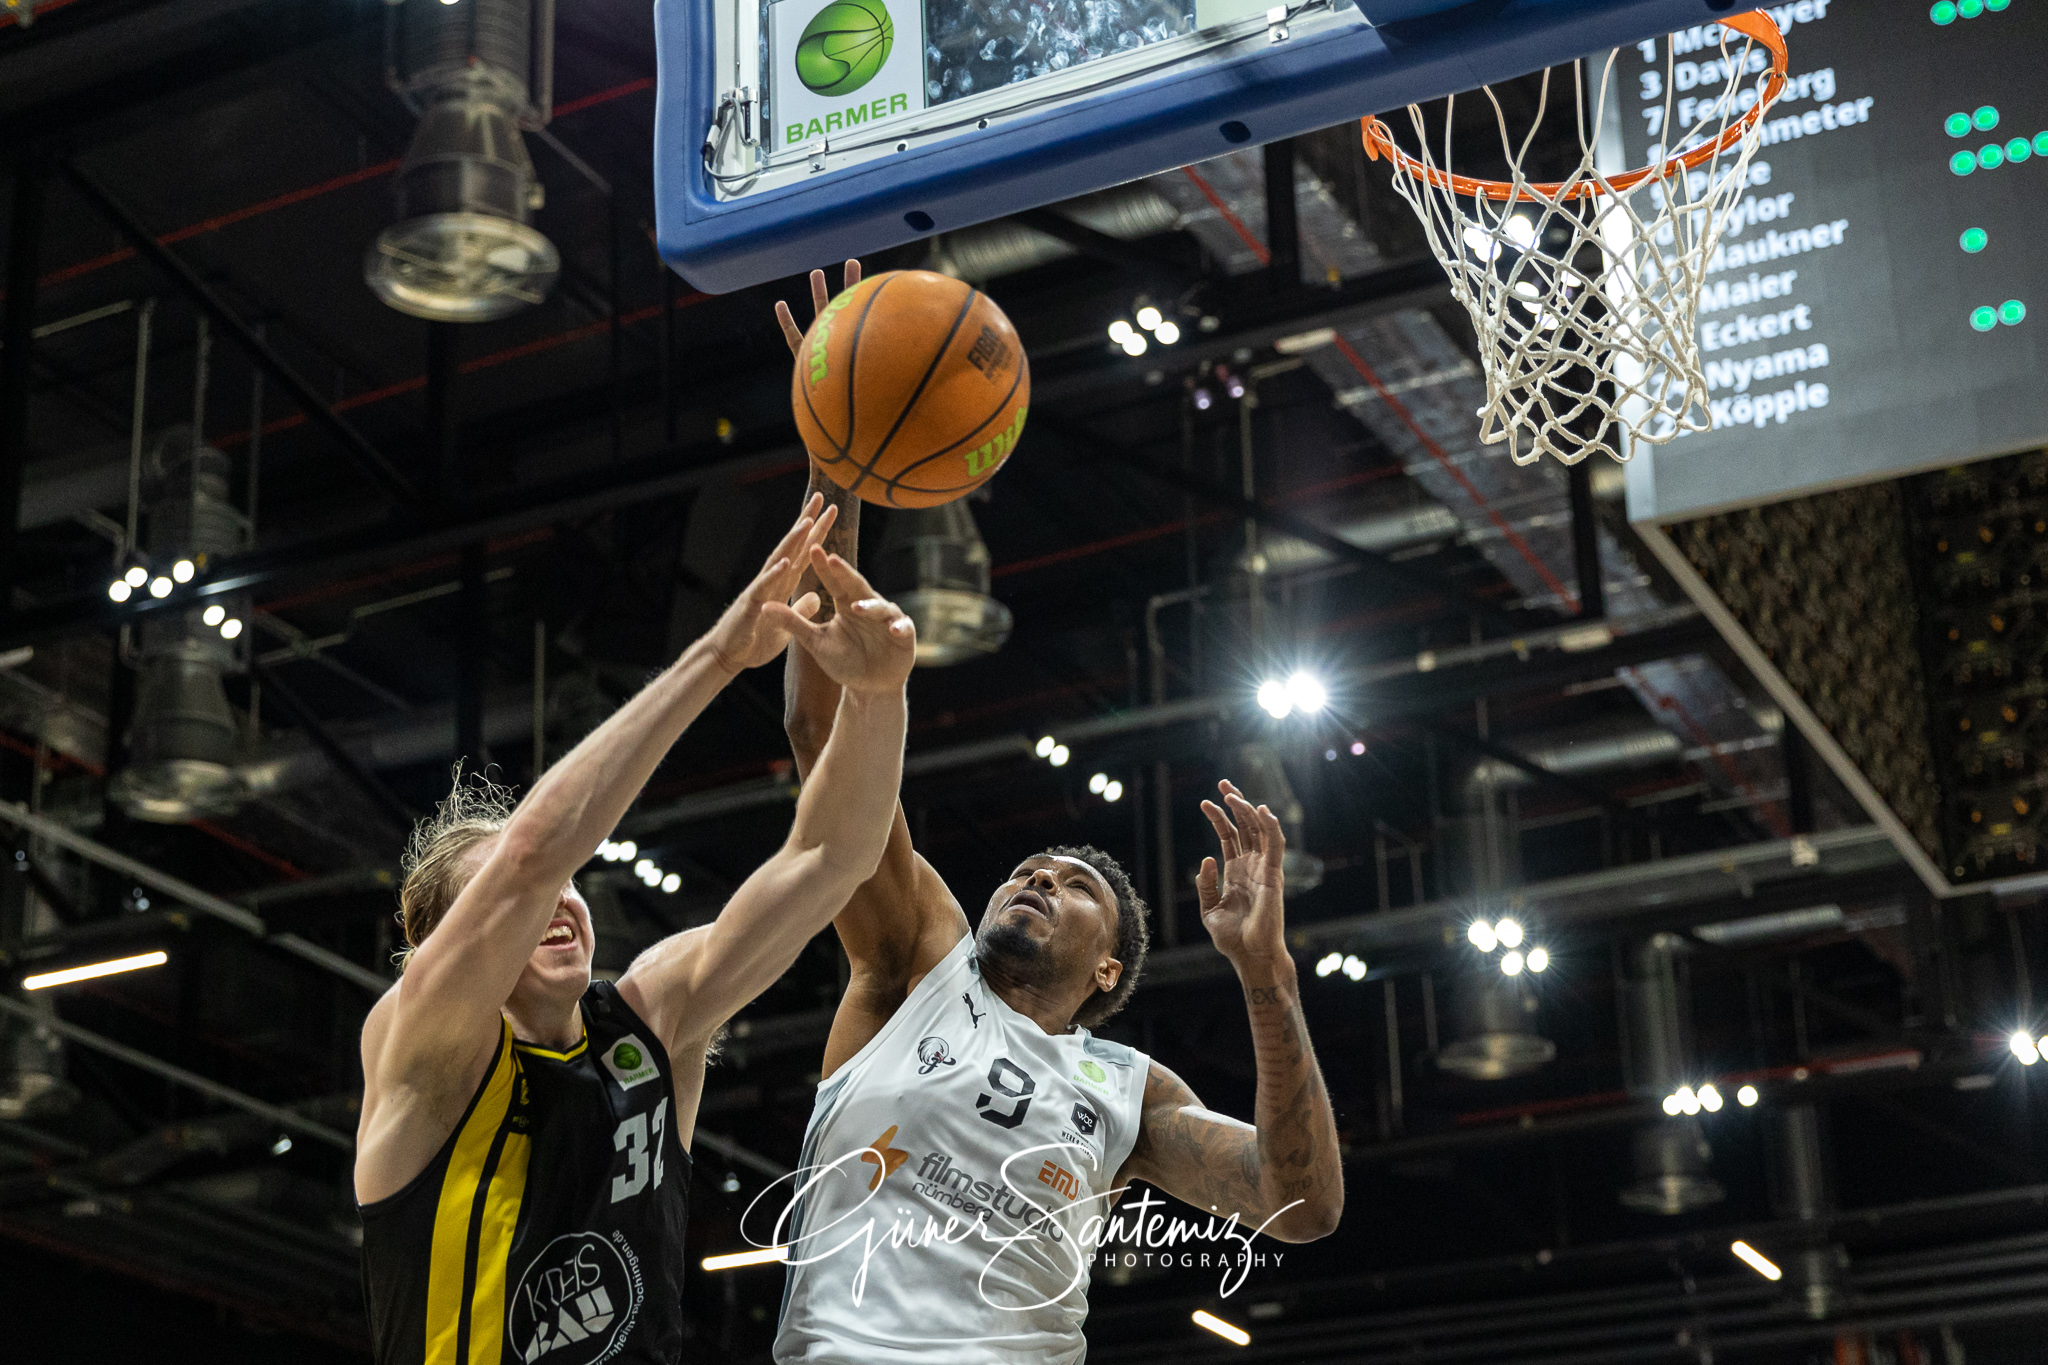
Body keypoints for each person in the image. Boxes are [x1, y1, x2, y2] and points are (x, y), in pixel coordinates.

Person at [768, 267, 1344, 1364]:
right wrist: (833, 472)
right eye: (1028, 868)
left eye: (1073, 884)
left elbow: (1298, 1205)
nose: (1035, 878)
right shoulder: (910, 968)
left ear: (1108, 974)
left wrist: (1266, 973)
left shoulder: (1125, 1091)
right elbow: (818, 744)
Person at [355, 494, 918, 1365]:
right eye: (509, 906)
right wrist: (720, 654)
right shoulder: (413, 1047)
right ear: (441, 950)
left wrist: (880, 699)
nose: (560, 900)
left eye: (574, 888)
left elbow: (830, 859)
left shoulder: (651, 1020)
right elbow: (534, 855)